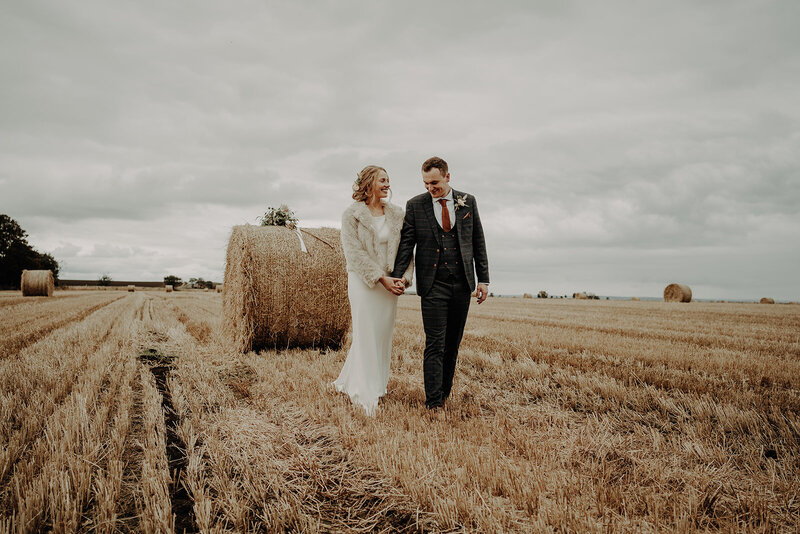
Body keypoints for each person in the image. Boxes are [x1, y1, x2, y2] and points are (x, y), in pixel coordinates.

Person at [392, 156, 489, 411]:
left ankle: (444, 394)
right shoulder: (415, 205)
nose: (430, 188)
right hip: (433, 285)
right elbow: (406, 243)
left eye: (434, 183)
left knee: (452, 345)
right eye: (425, 184)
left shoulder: (468, 201)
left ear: (447, 177)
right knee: (434, 343)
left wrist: (484, 279)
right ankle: (433, 403)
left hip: (462, 284)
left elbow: (477, 240)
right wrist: (398, 274)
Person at [334, 165, 414, 415]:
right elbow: (353, 253)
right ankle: (364, 394)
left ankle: (368, 383)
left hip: (391, 282)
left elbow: (405, 248)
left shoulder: (397, 214)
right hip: (363, 281)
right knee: (365, 333)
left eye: (388, 179)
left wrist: (403, 278)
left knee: (381, 335)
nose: (387, 184)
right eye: (382, 180)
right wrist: (380, 278)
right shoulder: (351, 215)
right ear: (368, 183)